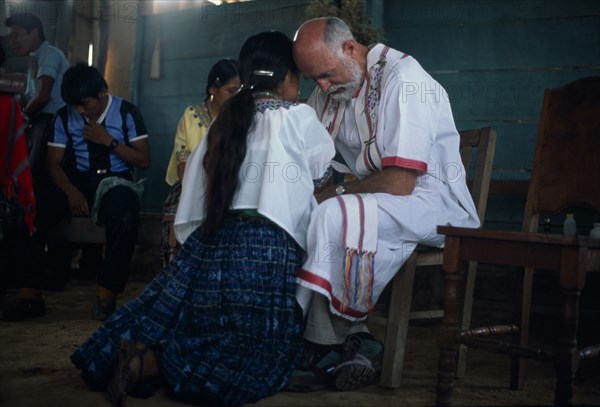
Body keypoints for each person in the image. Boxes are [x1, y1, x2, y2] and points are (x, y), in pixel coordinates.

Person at [70, 31, 335, 407]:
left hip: (211, 243)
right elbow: (320, 182)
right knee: (256, 355)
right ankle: (151, 365)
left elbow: (191, 190)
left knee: (176, 314)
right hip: (267, 251)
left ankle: (135, 354)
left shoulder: (222, 123)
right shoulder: (300, 117)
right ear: (288, 77)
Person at [288, 17, 481, 392]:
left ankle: (323, 345)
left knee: (333, 211)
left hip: (430, 199)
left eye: (326, 75)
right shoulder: (335, 86)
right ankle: (354, 340)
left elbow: (401, 180)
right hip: (379, 195)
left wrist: (339, 191)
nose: (323, 87)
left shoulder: (403, 79)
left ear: (349, 48)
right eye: (315, 80)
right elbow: (308, 151)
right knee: (300, 212)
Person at [0, 63, 150, 322]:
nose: (80, 111)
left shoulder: (127, 113)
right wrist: (70, 190)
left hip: (116, 182)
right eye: (75, 106)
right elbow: (53, 164)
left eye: (85, 104)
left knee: (126, 215)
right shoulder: (63, 116)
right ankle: (29, 294)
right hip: (77, 182)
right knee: (33, 210)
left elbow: (143, 160)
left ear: (102, 92)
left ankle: (106, 295)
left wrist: (108, 141)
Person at [161, 58, 240, 266]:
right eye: (232, 91)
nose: (237, 97)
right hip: (191, 184)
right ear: (213, 88)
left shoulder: (242, 118)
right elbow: (183, 164)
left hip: (232, 185)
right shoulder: (191, 116)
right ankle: (177, 270)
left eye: (240, 91)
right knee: (180, 208)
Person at [5, 12, 69, 187]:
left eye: (17, 35)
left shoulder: (49, 54)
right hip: (41, 123)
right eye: (10, 37)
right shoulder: (33, 60)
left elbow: (42, 97)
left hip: (51, 124)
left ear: (33, 33)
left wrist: (23, 115)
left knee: (30, 177)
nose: (13, 42)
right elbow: (31, 96)